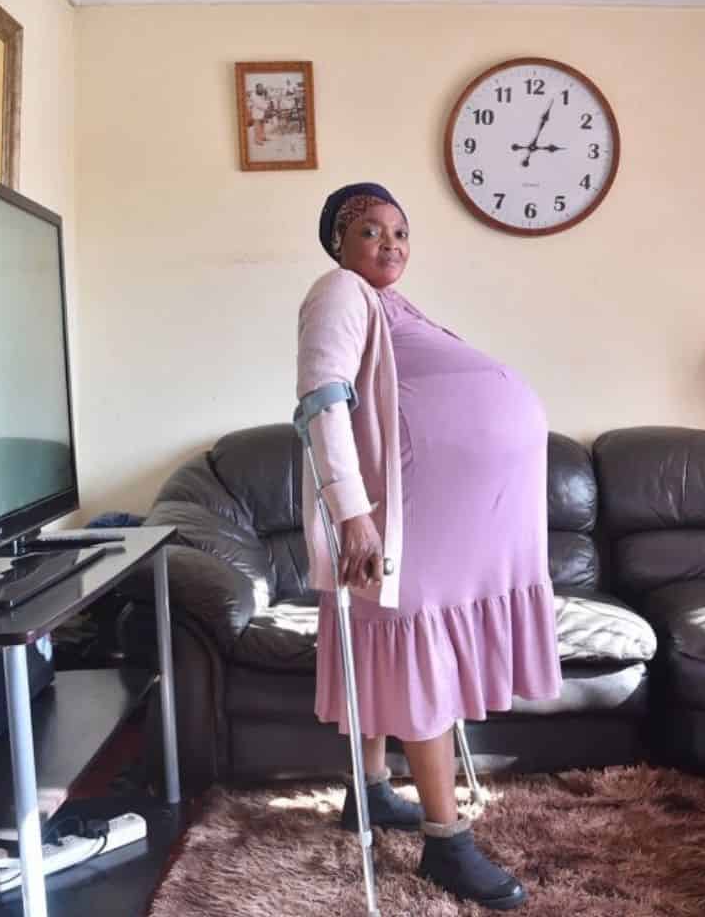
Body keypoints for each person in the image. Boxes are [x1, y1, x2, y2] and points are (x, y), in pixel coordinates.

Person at [296, 182, 561, 910]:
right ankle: (447, 842)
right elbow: (322, 400)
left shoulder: (390, 303)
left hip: (450, 518)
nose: (391, 243)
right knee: (415, 651)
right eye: (371, 230)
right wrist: (353, 513)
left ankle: (371, 791)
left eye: (401, 232)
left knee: (390, 640)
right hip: (408, 513)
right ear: (339, 244)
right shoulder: (338, 291)